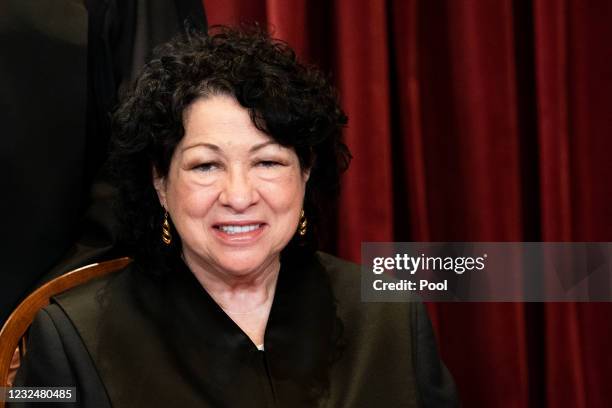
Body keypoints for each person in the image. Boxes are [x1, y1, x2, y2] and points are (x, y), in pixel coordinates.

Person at [14, 26, 459, 407]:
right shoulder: (70, 337)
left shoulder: (392, 316)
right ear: (160, 183)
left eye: (267, 162)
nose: (240, 196)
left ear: (305, 172)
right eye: (206, 166)